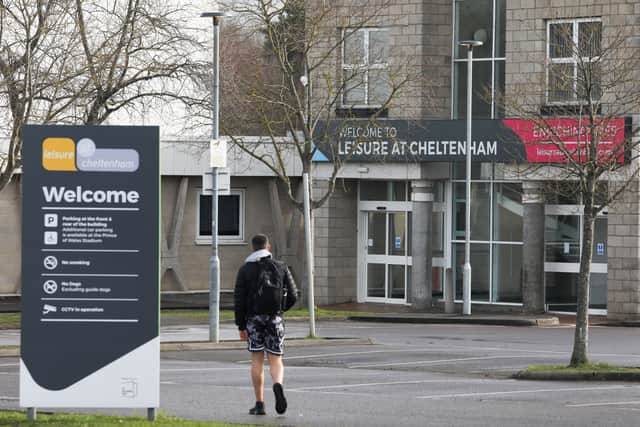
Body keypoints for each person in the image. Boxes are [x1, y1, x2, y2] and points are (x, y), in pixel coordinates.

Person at [234, 234, 298, 416]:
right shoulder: (281, 267)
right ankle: (277, 384)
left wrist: (241, 325)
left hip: (254, 320)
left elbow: (239, 300)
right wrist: (280, 310)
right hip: (275, 318)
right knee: (276, 358)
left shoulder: (245, 270)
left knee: (257, 360)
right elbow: (293, 294)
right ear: (268, 247)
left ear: (252, 248)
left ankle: (259, 403)